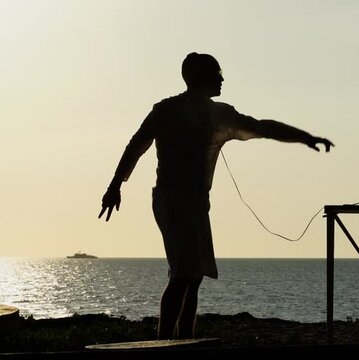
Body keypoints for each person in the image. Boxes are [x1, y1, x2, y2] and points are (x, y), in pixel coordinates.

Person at [98, 52, 334, 339]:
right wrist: (115, 185)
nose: (222, 79)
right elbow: (137, 144)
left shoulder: (219, 114)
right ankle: (162, 344)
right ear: (199, 78)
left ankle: (184, 339)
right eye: (216, 74)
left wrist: (305, 137)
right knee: (182, 275)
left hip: (196, 203)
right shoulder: (166, 110)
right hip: (171, 201)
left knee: (193, 277)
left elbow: (263, 127)